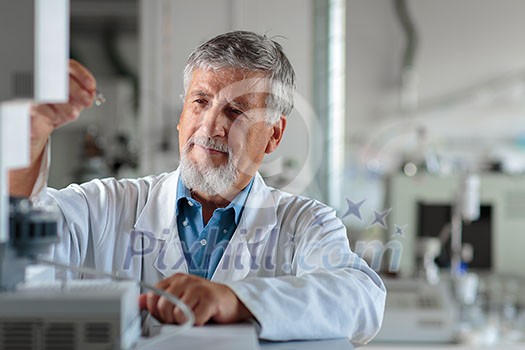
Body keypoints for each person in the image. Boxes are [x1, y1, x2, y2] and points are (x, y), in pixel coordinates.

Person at [9, 31, 385, 343]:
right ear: (181, 115)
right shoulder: (108, 204)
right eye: (200, 102)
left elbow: (360, 299)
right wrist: (30, 134)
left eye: (236, 111)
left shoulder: (305, 222)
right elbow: (17, 249)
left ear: (273, 135)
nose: (210, 126)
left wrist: (235, 300)